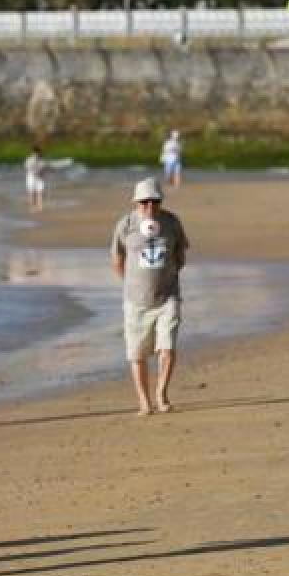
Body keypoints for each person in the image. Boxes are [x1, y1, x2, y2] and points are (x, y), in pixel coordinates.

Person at [110, 178, 189, 416]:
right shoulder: (126, 225)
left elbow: (181, 254)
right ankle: (144, 402)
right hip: (136, 301)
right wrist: (132, 283)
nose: (150, 207)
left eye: (155, 201)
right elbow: (117, 259)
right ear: (136, 203)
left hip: (167, 297)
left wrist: (168, 276)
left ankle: (161, 394)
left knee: (168, 348)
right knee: (137, 354)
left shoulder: (172, 223)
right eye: (144, 202)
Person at [24, 145, 48, 212]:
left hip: (39, 177)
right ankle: (32, 207)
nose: (37, 154)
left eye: (38, 152)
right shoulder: (30, 159)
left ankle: (39, 207)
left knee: (40, 192)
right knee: (32, 193)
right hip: (31, 176)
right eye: (36, 152)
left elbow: (44, 168)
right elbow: (27, 167)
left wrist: (42, 171)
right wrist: (36, 170)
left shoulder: (42, 160)